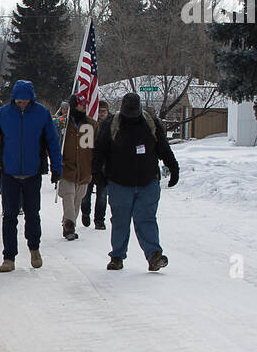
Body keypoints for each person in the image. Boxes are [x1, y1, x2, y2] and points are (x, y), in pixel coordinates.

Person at [0, 80, 61, 273]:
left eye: (26, 101)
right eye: (19, 101)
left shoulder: (41, 114)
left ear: (31, 99)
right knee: (9, 216)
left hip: (32, 172)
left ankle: (34, 248)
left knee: (32, 214)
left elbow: (53, 141)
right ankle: (9, 257)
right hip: (10, 173)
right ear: (14, 99)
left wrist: (57, 168)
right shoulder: (4, 114)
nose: (22, 104)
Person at [91, 92, 179, 272]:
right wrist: (97, 174)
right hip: (119, 182)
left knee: (146, 219)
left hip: (147, 182)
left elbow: (163, 148)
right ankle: (117, 256)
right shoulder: (111, 124)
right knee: (120, 221)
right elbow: (99, 151)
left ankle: (154, 256)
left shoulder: (150, 123)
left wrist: (173, 168)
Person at [57, 94, 97, 241]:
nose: (83, 108)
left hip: (84, 169)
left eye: (85, 106)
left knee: (77, 200)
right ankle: (69, 226)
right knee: (68, 196)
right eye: (80, 105)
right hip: (66, 167)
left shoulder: (91, 125)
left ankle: (68, 221)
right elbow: (53, 142)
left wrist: (95, 165)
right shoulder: (62, 124)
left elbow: (95, 147)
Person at [81, 100, 111, 229]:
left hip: (104, 167)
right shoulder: (89, 125)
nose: (101, 114)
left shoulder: (111, 125)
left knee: (102, 196)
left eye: (104, 111)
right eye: (99, 111)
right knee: (86, 195)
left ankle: (99, 220)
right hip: (89, 165)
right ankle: (85, 213)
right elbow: (84, 145)